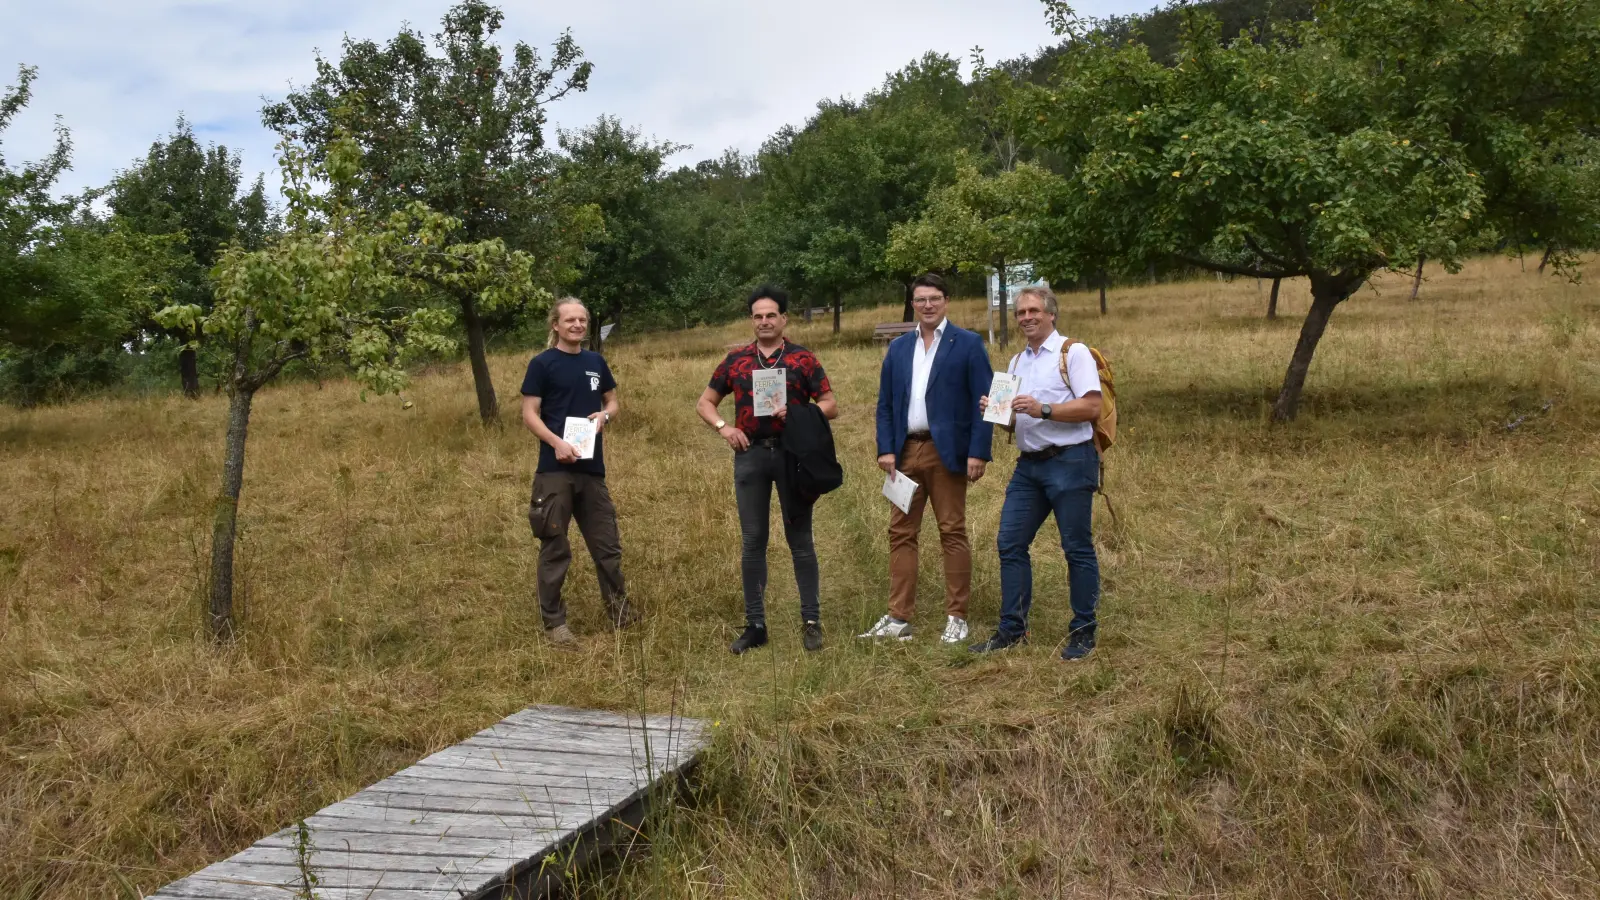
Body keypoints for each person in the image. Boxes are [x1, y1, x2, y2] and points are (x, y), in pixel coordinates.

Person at [696, 284, 839, 655]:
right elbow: (705, 403)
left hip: (794, 457)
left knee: (800, 541)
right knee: (752, 542)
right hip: (751, 456)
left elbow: (830, 404)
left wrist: (803, 413)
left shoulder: (802, 359)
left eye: (771, 315)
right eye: (758, 316)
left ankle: (811, 620)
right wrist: (724, 428)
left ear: (783, 318)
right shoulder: (736, 360)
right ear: (752, 320)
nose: (764, 321)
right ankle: (756, 625)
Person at [970, 285, 1103, 660]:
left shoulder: (1073, 352)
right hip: (1029, 466)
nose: (1026, 318)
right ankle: (1012, 630)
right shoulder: (1016, 362)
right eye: (1020, 313)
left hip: (1070, 461)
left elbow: (1092, 407)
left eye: (1033, 311)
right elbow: (1014, 423)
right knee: (1010, 543)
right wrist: (998, 412)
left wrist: (1043, 409)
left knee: (1076, 548)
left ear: (1051, 314)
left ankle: (1083, 631)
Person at [862, 272, 993, 644]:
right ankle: (899, 617)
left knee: (952, 530)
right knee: (900, 533)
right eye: (921, 300)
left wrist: (978, 452)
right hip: (905, 453)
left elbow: (985, 402)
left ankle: (957, 616)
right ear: (913, 304)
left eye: (934, 298)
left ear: (946, 301)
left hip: (947, 452)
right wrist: (886, 449)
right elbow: (886, 403)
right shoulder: (900, 348)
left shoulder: (967, 344)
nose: (928, 305)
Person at [520, 298, 632, 646]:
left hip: (591, 469)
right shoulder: (542, 364)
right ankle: (555, 625)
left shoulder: (595, 361)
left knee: (607, 546)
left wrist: (605, 416)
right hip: (555, 470)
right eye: (570, 320)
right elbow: (529, 413)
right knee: (555, 547)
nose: (577, 325)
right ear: (556, 324)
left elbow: (612, 401)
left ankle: (621, 614)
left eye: (582, 320)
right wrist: (556, 442)